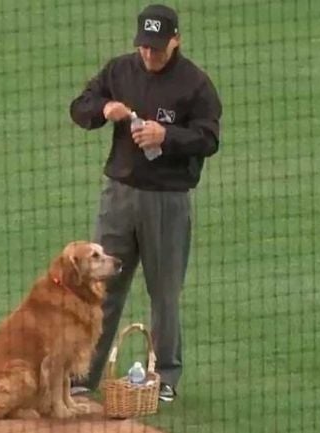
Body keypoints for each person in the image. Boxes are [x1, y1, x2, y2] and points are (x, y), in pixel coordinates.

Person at [68, 3, 222, 402]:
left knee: (164, 292)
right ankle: (85, 374)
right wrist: (103, 108)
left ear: (176, 40)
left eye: (157, 47)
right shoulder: (119, 70)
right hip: (118, 196)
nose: (149, 55)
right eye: (144, 47)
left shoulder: (195, 85)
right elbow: (79, 107)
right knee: (101, 285)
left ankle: (166, 376)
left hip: (167, 201)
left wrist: (166, 136)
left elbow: (208, 139)